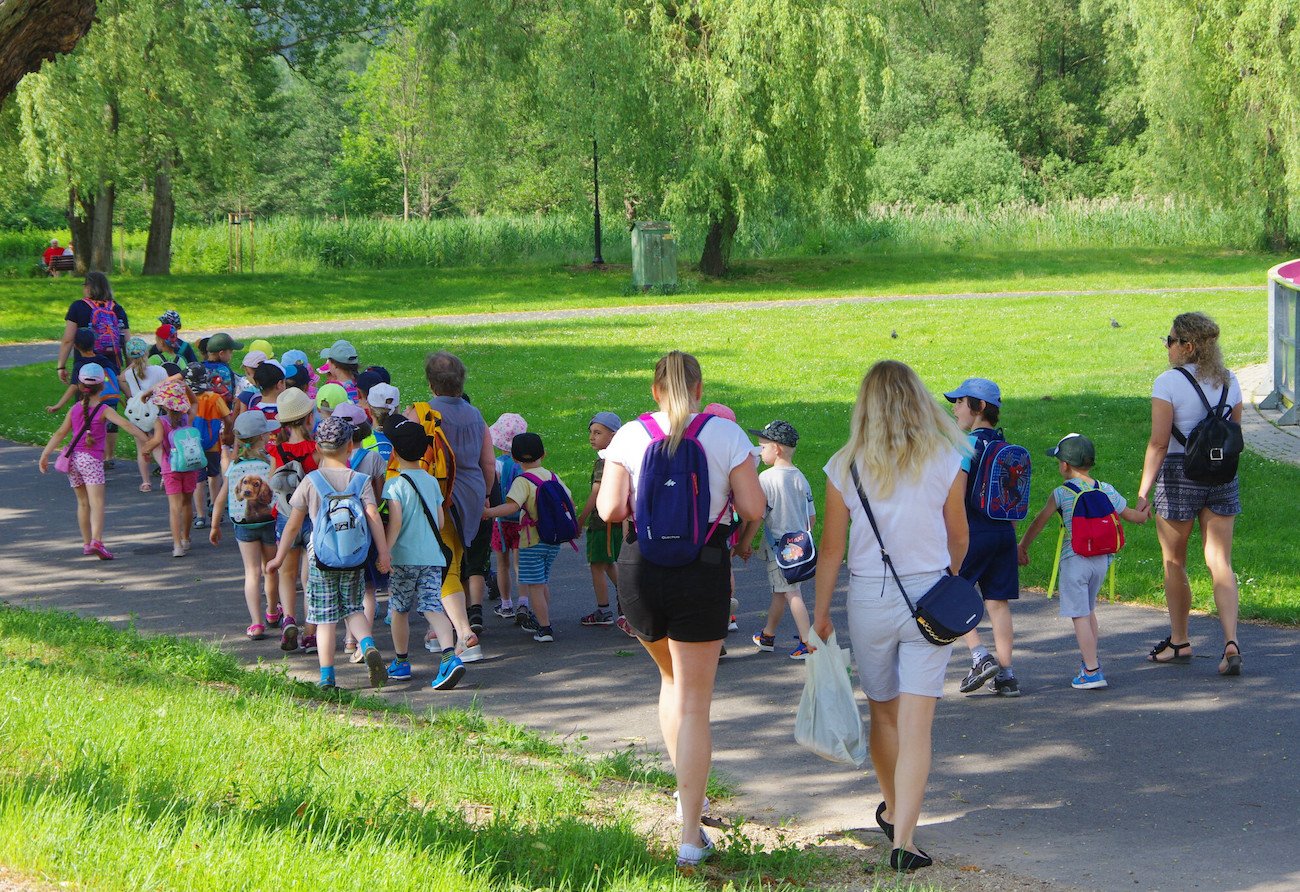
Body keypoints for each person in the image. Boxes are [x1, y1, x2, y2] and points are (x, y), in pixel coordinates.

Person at [597, 351, 764, 867]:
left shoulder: (630, 435)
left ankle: (683, 794)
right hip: (701, 569)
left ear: (654, 390)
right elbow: (753, 507)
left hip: (640, 570)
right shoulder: (725, 434)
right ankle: (691, 834)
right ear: (698, 388)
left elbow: (609, 509)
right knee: (694, 702)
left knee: (670, 681)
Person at [812, 360, 970, 872]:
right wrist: (950, 577)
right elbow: (959, 535)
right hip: (931, 595)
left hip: (869, 598)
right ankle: (904, 840)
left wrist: (820, 613)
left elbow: (831, 549)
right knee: (917, 723)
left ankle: (894, 807)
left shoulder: (845, 464)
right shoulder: (946, 457)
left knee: (883, 712)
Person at [1135, 311, 1243, 676]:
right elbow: (1234, 435)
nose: (1167, 347)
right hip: (1222, 474)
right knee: (1220, 561)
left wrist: (1143, 492)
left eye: (1170, 341)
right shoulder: (1230, 380)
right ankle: (1231, 641)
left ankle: (1180, 641)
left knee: (1174, 561)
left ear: (1188, 346)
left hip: (1179, 474)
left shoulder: (1168, 382)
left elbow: (1158, 443)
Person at [267, 416, 391, 690]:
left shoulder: (311, 481)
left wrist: (279, 557)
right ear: (350, 447)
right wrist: (383, 553)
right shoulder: (360, 480)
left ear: (318, 448)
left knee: (325, 620)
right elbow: (373, 516)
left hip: (321, 560)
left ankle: (327, 677)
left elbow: (293, 525)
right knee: (353, 609)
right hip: (354, 557)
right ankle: (367, 645)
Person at [1018, 434, 1147, 689]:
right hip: (1101, 561)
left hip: (1075, 560)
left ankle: (1092, 670)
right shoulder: (1106, 489)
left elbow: (1039, 522)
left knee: (1079, 615)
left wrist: (1022, 546)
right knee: (1088, 611)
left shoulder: (1061, 493)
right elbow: (1133, 516)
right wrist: (1144, 512)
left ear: (1065, 465)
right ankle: (1090, 661)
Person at [408, 352, 494, 663]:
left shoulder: (422, 413)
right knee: (453, 558)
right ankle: (439, 629)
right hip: (471, 493)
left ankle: (463, 633)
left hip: (438, 496)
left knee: (442, 565)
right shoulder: (475, 414)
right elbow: (488, 462)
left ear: (431, 383)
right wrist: (485, 495)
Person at [943, 378, 1021, 696]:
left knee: (951, 592)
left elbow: (956, 496)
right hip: (1003, 533)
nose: (954, 408)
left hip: (973, 531)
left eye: (960, 402)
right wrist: (1014, 541)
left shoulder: (965, 446)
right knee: (998, 603)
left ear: (980, 407)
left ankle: (979, 655)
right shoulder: (1004, 446)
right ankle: (1007, 675)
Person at [381, 416, 463, 690]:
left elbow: (395, 524)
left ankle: (401, 662)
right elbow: (439, 522)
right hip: (431, 557)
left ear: (394, 452)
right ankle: (450, 657)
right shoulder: (430, 481)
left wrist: (385, 552)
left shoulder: (394, 484)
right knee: (432, 607)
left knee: (399, 609)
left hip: (404, 558)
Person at [37, 363, 148, 559]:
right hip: (91, 460)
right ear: (102, 386)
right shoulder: (104, 409)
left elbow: (60, 433)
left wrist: (45, 454)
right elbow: (126, 425)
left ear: (80, 386)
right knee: (97, 503)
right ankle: (97, 541)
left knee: (83, 503)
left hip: (73, 460)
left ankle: (87, 543)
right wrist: (148, 441)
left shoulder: (75, 409)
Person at [483, 432, 575, 643]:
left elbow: (512, 507)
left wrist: (488, 512)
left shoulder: (523, 481)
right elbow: (569, 500)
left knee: (534, 585)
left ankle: (545, 628)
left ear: (515, 458)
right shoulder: (552, 476)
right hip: (552, 540)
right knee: (541, 582)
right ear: (543, 454)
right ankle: (544, 618)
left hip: (532, 541)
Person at [741, 420, 817, 659]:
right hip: (799, 548)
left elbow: (757, 516)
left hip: (779, 550)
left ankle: (808, 642)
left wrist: (744, 543)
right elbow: (811, 518)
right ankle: (768, 635)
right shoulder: (800, 478)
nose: (759, 451)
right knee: (781, 591)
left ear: (776, 449)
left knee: (792, 594)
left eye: (763, 447)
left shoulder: (766, 479)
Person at [209, 411, 281, 640]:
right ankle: (272, 612)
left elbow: (220, 498)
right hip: (270, 521)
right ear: (263, 437)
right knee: (271, 568)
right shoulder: (270, 462)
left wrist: (214, 526)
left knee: (251, 572)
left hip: (244, 525)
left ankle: (256, 623)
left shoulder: (234, 467)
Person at [267, 387, 317, 653]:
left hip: (285, 518)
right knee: (309, 578)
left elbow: (272, 482)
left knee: (287, 573)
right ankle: (310, 633)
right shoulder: (316, 450)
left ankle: (288, 618)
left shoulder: (278, 451)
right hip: (311, 518)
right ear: (309, 417)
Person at [144, 378, 200, 558]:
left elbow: (157, 440)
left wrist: (146, 449)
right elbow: (195, 402)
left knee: (174, 507)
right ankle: (186, 538)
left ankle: (177, 546)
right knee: (187, 503)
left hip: (171, 467)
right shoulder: (187, 418)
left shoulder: (161, 421)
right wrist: (186, 387)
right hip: (190, 465)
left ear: (163, 404)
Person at [578, 411, 624, 627]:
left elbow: (596, 493)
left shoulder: (604, 462)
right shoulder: (618, 458)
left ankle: (604, 611)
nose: (591, 437)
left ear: (613, 436)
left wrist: (581, 519)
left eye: (598, 433)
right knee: (607, 563)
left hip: (601, 522)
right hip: (615, 520)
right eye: (591, 432)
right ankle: (626, 599)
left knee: (597, 565)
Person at [487, 412, 527, 619]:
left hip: (500, 520)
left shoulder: (496, 464)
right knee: (521, 564)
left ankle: (506, 604)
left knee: (502, 564)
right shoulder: (523, 466)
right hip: (522, 520)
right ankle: (524, 603)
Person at [58, 273, 128, 386]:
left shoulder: (78, 307)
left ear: (88, 287)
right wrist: (130, 368)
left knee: (85, 394)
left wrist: (61, 366)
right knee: (109, 393)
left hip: (85, 366)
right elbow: (127, 341)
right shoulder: (117, 309)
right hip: (111, 366)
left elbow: (68, 340)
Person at [186, 365, 233, 532]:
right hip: (213, 443)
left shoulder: (186, 398)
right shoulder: (214, 398)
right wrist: (226, 433)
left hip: (192, 445)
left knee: (198, 480)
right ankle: (215, 507)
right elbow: (228, 419)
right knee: (214, 475)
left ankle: (200, 515)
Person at [120, 336, 168, 491]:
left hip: (138, 414)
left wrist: (133, 363)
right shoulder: (159, 370)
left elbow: (120, 377)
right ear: (147, 353)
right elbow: (167, 389)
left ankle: (146, 482)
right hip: (156, 413)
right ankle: (166, 474)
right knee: (159, 445)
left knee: (142, 447)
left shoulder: (129, 374)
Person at [201, 333, 242, 398]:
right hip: (222, 403)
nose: (232, 354)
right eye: (230, 352)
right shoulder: (224, 370)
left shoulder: (201, 366)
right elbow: (229, 394)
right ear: (221, 353)